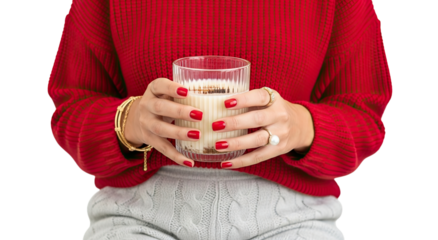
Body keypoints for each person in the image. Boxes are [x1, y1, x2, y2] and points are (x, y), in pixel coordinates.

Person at [48, 0, 392, 239]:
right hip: (137, 217)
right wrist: (131, 121)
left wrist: (300, 126)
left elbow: (365, 120)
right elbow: (70, 111)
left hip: (293, 220)